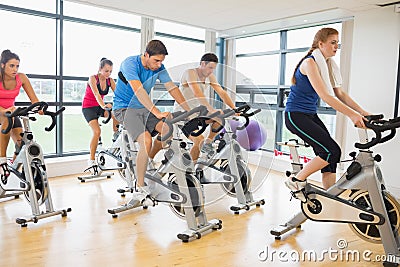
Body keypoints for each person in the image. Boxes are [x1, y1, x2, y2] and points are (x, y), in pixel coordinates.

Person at [284, 27, 370, 201]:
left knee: (330, 156)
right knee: (332, 151)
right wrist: (352, 115)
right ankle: (295, 180)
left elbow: (340, 93)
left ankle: (331, 195)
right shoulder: (310, 63)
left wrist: (362, 112)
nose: (336, 46)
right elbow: (325, 96)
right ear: (320, 44)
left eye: (338, 43)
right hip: (295, 116)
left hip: (309, 115)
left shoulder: (328, 65)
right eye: (332, 43)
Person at [112, 40, 190, 198]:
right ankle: (139, 186)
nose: (159, 64)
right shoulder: (130, 64)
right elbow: (138, 89)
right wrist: (156, 111)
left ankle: (149, 160)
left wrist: (189, 109)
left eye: (162, 61)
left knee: (168, 129)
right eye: (156, 60)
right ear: (146, 55)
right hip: (124, 108)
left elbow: (172, 88)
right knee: (146, 140)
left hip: (143, 108)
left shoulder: (159, 67)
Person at [175, 53, 236, 161]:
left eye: (213, 68)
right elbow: (197, 93)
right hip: (183, 114)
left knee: (220, 119)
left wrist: (234, 108)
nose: (211, 71)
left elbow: (222, 92)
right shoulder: (190, 73)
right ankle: (190, 172)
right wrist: (211, 109)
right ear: (202, 64)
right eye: (210, 68)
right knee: (198, 141)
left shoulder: (210, 77)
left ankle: (208, 144)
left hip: (198, 113)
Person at [0, 50, 43, 184]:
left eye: (17, 66)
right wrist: (5, 111)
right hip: (3, 112)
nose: (15, 69)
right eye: (11, 66)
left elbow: (34, 100)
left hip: (11, 113)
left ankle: (12, 165)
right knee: (9, 118)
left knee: (22, 143)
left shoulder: (21, 78)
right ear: (2, 65)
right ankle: (2, 161)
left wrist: (39, 108)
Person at [82, 58, 118, 172]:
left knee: (115, 113)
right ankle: (91, 160)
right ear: (100, 69)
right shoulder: (93, 78)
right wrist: (103, 106)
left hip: (100, 106)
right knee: (97, 132)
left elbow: (118, 94)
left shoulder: (110, 80)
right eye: (106, 71)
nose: (108, 74)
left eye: (110, 71)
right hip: (88, 107)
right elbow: (97, 94)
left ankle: (116, 136)